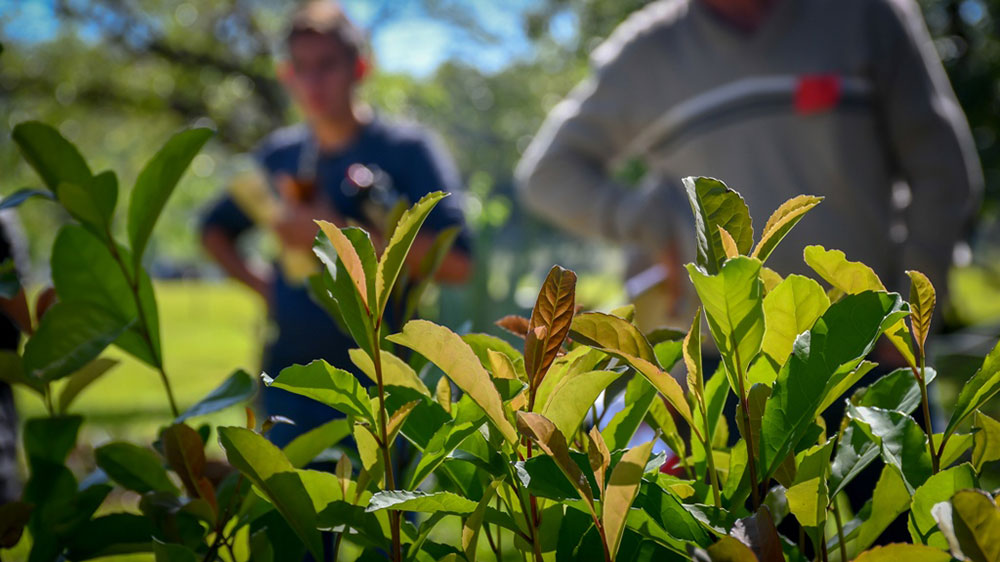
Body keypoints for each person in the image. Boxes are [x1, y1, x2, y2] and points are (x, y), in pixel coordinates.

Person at [516, 0, 982, 331]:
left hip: (865, 352)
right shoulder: (645, 53)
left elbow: (944, 173)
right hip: (717, 369)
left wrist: (909, 321)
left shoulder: (867, 14)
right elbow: (548, 175)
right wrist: (646, 222)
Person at [200, 1, 472, 448]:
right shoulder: (278, 158)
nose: (313, 81)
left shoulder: (406, 151)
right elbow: (214, 231)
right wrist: (266, 288)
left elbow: (459, 263)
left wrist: (332, 235)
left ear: (360, 68)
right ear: (286, 75)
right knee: (291, 514)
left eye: (327, 65)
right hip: (292, 380)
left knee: (380, 515)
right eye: (301, 68)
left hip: (384, 380)